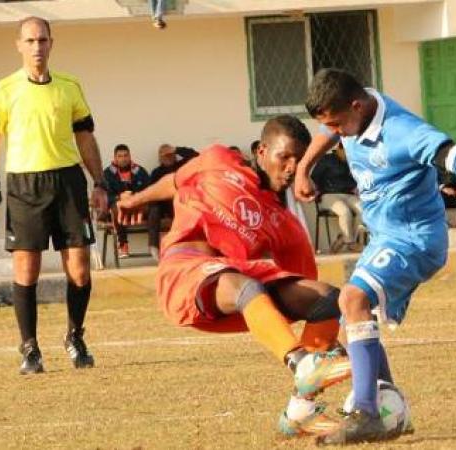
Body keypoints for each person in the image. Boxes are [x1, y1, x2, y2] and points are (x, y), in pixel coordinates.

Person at [295, 68, 456, 444]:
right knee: (354, 318)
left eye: (338, 124)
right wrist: (304, 167)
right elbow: (327, 129)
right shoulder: (356, 107)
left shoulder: (404, 131)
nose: (336, 134)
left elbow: (455, 156)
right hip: (384, 237)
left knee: (353, 298)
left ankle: (366, 414)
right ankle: (391, 410)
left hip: (415, 239)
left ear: (356, 106)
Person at [117, 115, 350, 438]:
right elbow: (174, 182)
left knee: (327, 297)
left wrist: (332, 344)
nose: (292, 167)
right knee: (244, 284)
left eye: (299, 160)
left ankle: (301, 410)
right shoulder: (217, 159)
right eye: (285, 157)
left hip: (235, 280)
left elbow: (306, 302)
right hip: (184, 271)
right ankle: (301, 364)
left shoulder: (286, 224)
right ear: (261, 152)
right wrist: (134, 200)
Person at [0, 16, 108, 374]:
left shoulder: (69, 86)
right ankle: (30, 348)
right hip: (24, 184)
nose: (37, 47)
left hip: (67, 183)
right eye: (30, 41)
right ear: (19, 45)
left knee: (79, 270)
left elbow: (85, 138)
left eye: (43, 40)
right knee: (27, 268)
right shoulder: (3, 90)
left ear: (52, 43)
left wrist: (99, 182)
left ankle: (75, 336)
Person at [145, 144, 198, 260]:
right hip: (163, 205)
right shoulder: (156, 172)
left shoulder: (182, 166)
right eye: (164, 155)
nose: (168, 157)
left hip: (181, 202)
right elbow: (151, 192)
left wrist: (177, 149)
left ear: (175, 155)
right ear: (159, 158)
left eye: (170, 155)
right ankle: (154, 246)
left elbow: (196, 156)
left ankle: (184, 250)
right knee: (154, 209)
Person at [311, 142, 362, 253]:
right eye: (346, 151)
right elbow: (314, 178)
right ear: (339, 149)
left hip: (348, 195)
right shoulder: (327, 159)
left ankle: (343, 238)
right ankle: (350, 243)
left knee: (364, 210)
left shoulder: (351, 162)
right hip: (329, 195)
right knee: (345, 211)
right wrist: (316, 193)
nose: (348, 154)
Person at [103, 144, 150, 257]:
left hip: (138, 208)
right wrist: (120, 197)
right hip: (119, 210)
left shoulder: (140, 171)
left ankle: (156, 245)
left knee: (155, 207)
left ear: (129, 156)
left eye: (125, 155)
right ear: (115, 158)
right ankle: (123, 244)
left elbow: (149, 190)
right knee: (115, 208)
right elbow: (104, 196)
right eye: (120, 156)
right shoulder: (107, 174)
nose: (123, 158)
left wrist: (135, 196)